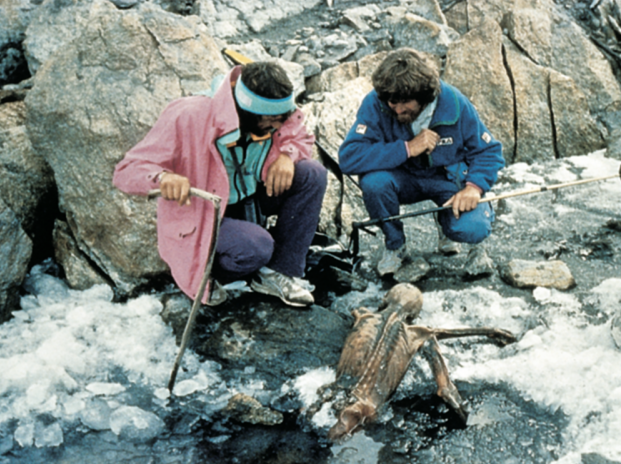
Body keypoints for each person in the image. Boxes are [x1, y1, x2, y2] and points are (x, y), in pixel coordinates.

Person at [113, 62, 327, 307]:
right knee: (257, 246)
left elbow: (296, 131)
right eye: (271, 120)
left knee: (312, 173)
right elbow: (126, 171)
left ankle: (276, 272)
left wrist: (288, 156)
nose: (278, 127)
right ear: (246, 112)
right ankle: (219, 274)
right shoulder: (188, 115)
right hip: (204, 215)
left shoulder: (278, 113)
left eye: (281, 119)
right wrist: (163, 179)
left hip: (251, 199)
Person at [339, 48, 504, 276]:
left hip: (447, 178)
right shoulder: (376, 103)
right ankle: (395, 245)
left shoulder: (454, 102)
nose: (397, 109)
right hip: (402, 178)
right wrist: (407, 148)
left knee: (473, 228)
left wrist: (474, 188)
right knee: (373, 183)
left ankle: (447, 224)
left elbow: (489, 151)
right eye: (392, 102)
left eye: (405, 102)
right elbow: (349, 157)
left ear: (424, 96)